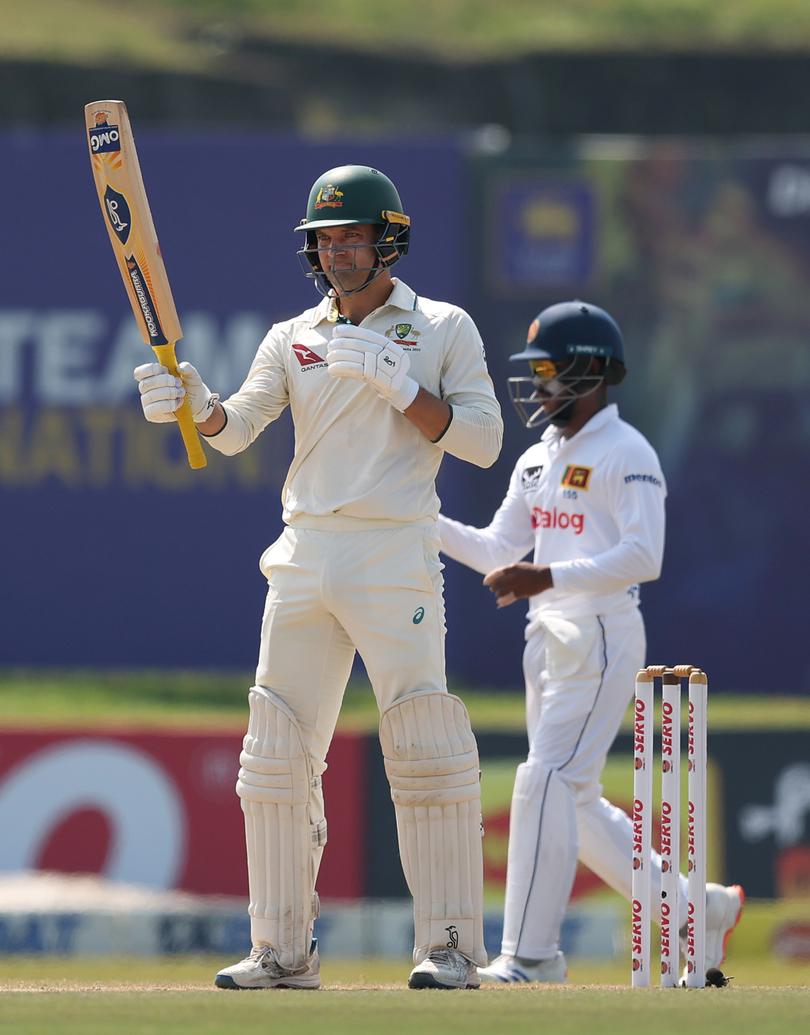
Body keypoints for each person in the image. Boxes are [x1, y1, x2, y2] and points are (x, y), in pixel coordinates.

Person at [133, 165, 503, 990]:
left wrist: (401, 384)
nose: (336, 252)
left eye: (351, 237)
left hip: (394, 553)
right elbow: (235, 428)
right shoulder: (291, 335)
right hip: (304, 554)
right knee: (275, 753)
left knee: (425, 744)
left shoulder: (443, 327)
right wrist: (191, 400)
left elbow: (482, 440)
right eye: (324, 240)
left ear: (388, 240)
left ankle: (448, 946)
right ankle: (282, 951)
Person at [438, 300, 744, 984]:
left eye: (548, 370)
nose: (538, 385)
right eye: (535, 371)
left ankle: (531, 955)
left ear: (592, 371)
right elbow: (496, 547)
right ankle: (700, 908)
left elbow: (645, 555)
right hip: (546, 637)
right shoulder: (538, 458)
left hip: (603, 632)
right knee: (572, 796)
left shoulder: (627, 452)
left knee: (544, 778)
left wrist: (546, 574)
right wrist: (418, 518)